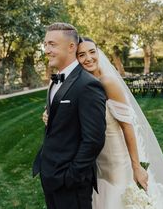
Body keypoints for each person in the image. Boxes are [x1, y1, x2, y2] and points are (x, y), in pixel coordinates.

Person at [43, 37, 149, 209]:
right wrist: (49, 116)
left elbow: (127, 126)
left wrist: (136, 166)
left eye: (92, 52)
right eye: (81, 54)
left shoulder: (108, 82)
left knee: (117, 199)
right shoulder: (75, 84)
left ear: (98, 52)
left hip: (115, 158)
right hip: (91, 157)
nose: (88, 58)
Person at [33, 24, 107, 209]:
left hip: (70, 184)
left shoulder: (87, 85)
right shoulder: (56, 78)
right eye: (45, 44)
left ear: (71, 47)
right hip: (49, 174)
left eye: (52, 44)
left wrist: (70, 177)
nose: (47, 50)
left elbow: (94, 140)